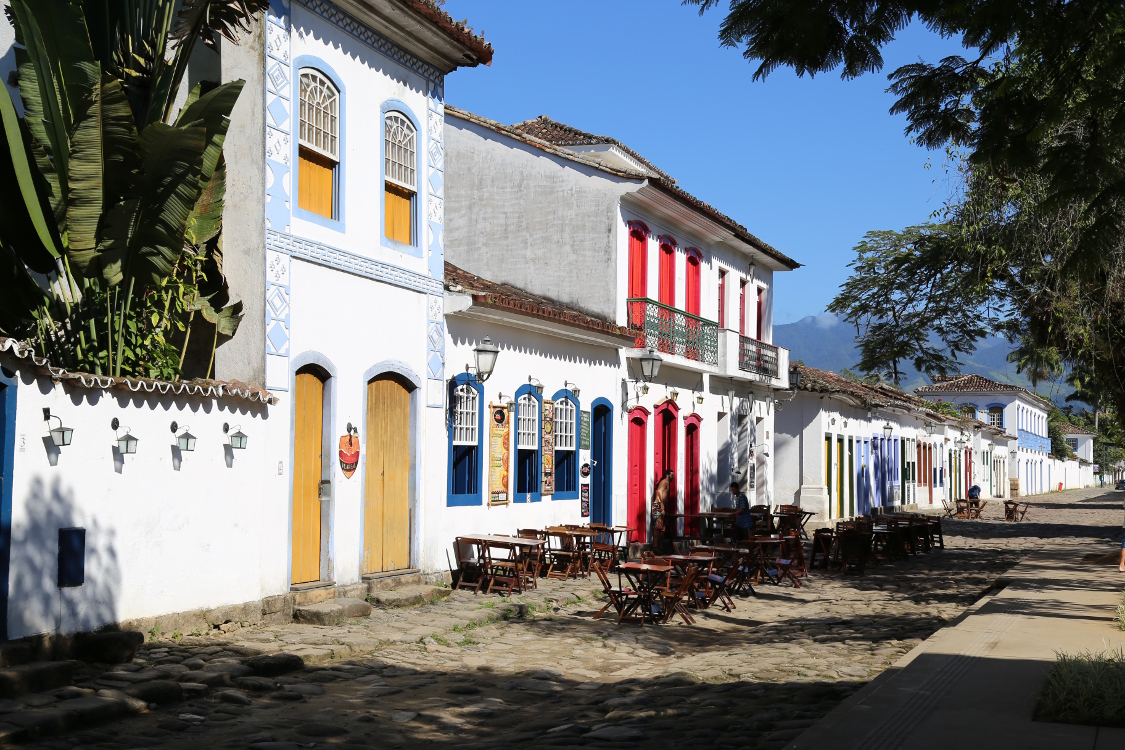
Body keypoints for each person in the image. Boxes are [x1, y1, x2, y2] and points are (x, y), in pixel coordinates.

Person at [651, 469, 673, 554]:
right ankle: (655, 547)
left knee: (662, 529)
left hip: (659, 506)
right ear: (667, 475)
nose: (673, 477)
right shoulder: (665, 482)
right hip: (658, 506)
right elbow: (659, 491)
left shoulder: (665, 482)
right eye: (671, 475)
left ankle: (660, 547)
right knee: (657, 528)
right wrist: (661, 505)